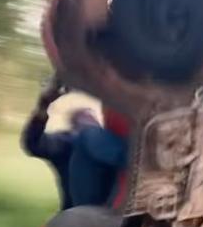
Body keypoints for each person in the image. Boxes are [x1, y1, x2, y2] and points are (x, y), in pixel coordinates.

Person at [21, 77, 128, 209]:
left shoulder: (109, 139)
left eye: (89, 114)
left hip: (119, 199)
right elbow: (33, 144)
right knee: (89, 137)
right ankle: (144, 164)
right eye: (82, 115)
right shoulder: (66, 142)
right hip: (83, 208)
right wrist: (43, 106)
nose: (86, 117)